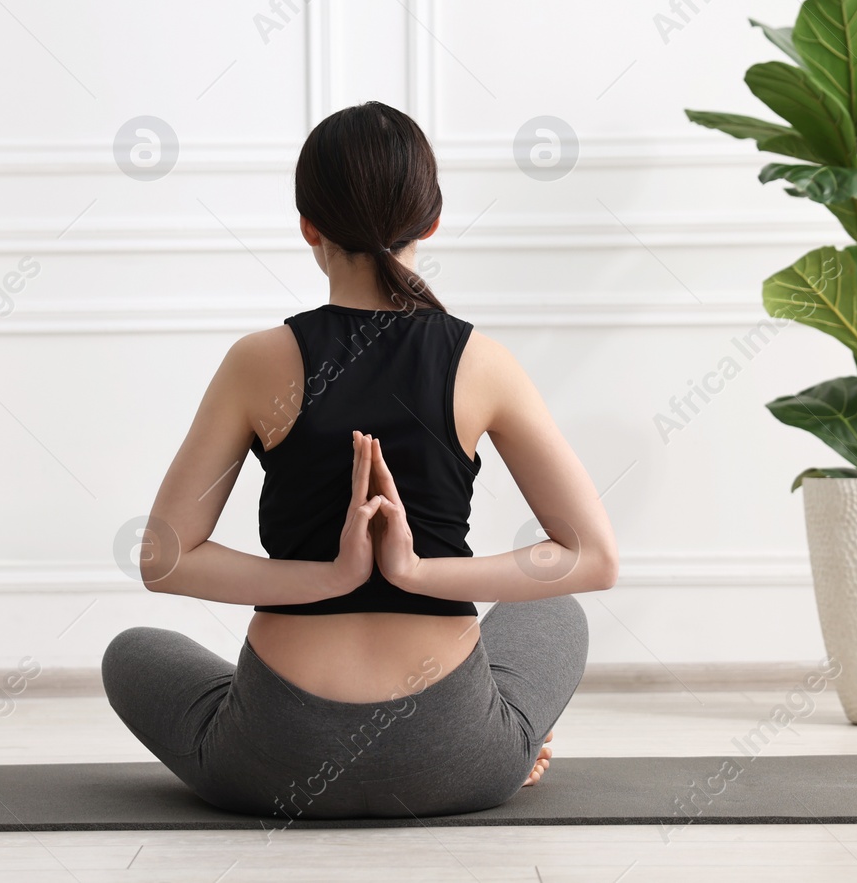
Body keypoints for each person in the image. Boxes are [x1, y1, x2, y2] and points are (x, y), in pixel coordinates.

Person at [101, 101, 619, 821]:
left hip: (273, 760)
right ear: (430, 223)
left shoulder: (258, 363)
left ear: (309, 226)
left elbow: (163, 557)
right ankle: (515, 738)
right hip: (455, 757)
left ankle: (486, 733)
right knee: (556, 611)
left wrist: (326, 578)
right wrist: (417, 574)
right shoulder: (482, 362)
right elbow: (592, 557)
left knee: (132, 650)